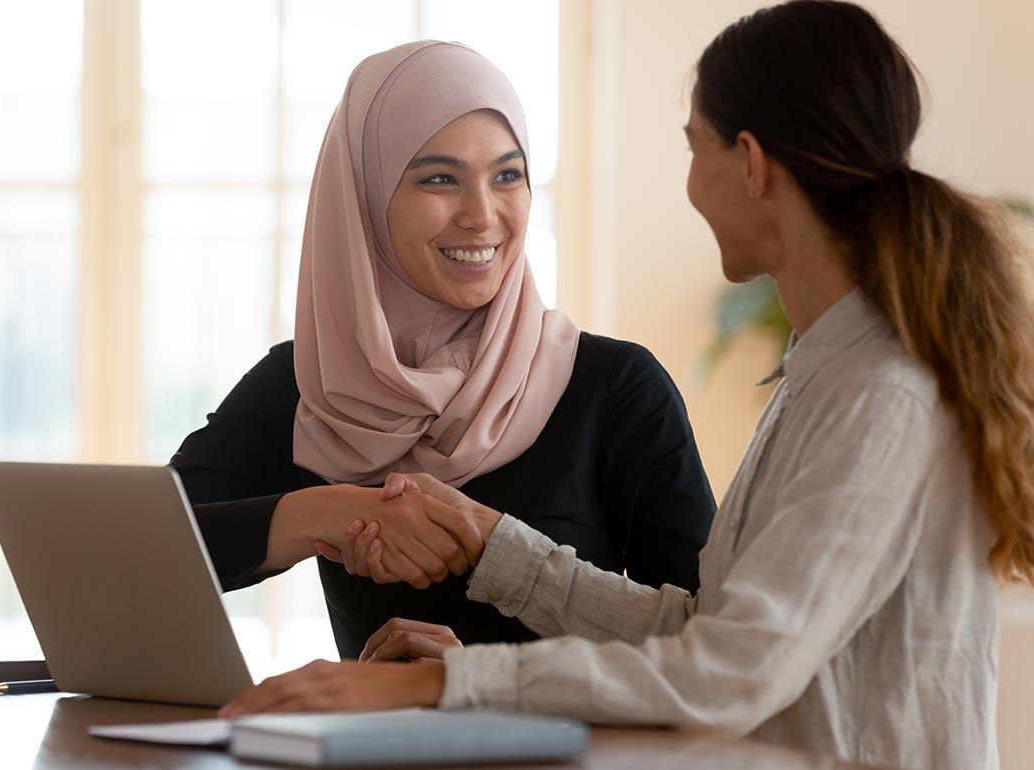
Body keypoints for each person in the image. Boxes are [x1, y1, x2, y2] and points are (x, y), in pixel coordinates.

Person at [218, 3, 1034, 769]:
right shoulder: (824, 375)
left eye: (693, 146)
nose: (483, 213)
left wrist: (442, 685)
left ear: (747, 164)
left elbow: (729, 672)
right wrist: (492, 543)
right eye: (439, 180)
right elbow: (702, 629)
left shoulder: (878, 395)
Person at [171, 41, 716, 660]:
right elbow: (136, 547)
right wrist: (328, 512)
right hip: (375, 755)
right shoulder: (312, 384)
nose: (483, 216)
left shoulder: (616, 388)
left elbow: (711, 649)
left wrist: (475, 685)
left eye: (508, 175)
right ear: (368, 202)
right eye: (440, 179)